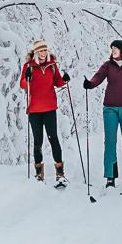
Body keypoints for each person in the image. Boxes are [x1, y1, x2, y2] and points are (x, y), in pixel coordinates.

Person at [83, 39, 122, 188]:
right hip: (110, 108)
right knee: (110, 142)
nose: (113, 51)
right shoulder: (107, 65)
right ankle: (110, 177)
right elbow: (98, 77)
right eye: (111, 49)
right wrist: (90, 84)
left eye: (115, 48)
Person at [19, 39, 71, 185]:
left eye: (45, 50)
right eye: (40, 51)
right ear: (36, 53)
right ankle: (38, 174)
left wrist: (65, 80)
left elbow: (58, 81)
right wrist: (27, 77)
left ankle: (60, 173)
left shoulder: (52, 65)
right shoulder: (28, 66)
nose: (43, 53)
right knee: (38, 141)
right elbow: (22, 84)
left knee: (53, 138)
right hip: (34, 109)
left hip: (49, 108)